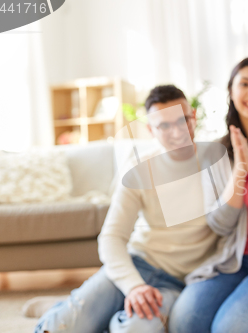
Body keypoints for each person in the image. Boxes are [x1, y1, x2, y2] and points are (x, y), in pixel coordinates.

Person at [33, 85, 220, 333]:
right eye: (164, 125)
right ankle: (65, 309)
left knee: (136, 329)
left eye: (182, 120)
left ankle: (86, 310)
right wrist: (133, 286)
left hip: (177, 282)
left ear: (193, 117)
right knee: (61, 328)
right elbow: (112, 237)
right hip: (136, 264)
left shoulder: (217, 163)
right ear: (150, 129)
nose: (176, 132)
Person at [168, 57, 248, 333]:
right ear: (231, 91)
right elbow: (219, 224)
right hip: (231, 258)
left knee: (229, 328)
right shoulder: (216, 151)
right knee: (184, 320)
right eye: (245, 84)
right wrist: (240, 170)